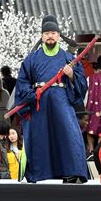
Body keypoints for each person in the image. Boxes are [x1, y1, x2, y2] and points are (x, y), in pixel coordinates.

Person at [14, 15, 88, 183]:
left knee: (69, 135)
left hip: (62, 102)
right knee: (40, 137)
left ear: (59, 36)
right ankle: (39, 174)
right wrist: (32, 94)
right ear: (42, 36)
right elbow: (23, 82)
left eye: (54, 32)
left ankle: (71, 172)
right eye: (47, 33)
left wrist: (71, 77)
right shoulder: (32, 59)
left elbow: (82, 84)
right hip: (39, 105)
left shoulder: (69, 59)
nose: (50, 36)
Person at [86, 55, 101, 155]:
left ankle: (90, 150)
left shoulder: (90, 78)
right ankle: (100, 151)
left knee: (89, 129)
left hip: (92, 108)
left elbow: (85, 94)